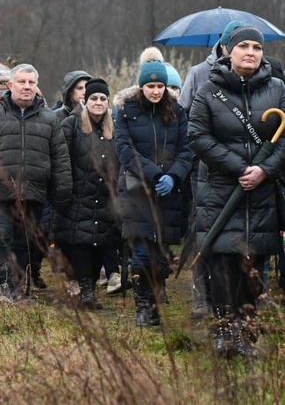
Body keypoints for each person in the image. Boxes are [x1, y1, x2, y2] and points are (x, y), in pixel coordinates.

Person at [188, 26, 285, 357]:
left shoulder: (278, 89)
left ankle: (246, 331)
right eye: (243, 45)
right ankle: (224, 332)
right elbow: (198, 137)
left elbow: (284, 141)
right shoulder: (208, 91)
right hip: (220, 192)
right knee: (224, 264)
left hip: (261, 194)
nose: (251, 51)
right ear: (228, 51)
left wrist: (264, 170)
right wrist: (238, 167)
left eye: (257, 46)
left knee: (253, 267)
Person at [0, 63, 72, 300]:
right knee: (2, 239)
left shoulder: (49, 118)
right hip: (1, 193)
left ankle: (19, 287)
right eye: (22, 82)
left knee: (26, 243)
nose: (27, 87)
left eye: (31, 83)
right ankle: (5, 289)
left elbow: (60, 158)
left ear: (37, 86)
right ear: (10, 85)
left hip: (35, 193)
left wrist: (61, 194)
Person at [113, 60, 192, 327]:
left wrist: (174, 175)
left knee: (160, 256)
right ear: (142, 86)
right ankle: (143, 307)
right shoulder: (127, 111)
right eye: (150, 86)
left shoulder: (178, 112)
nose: (156, 91)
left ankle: (156, 303)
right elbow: (124, 149)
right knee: (142, 253)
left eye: (160, 86)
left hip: (168, 194)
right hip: (138, 191)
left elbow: (186, 150)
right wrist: (154, 174)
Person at [55, 79, 120, 308]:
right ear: (85, 100)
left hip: (104, 199)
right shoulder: (71, 125)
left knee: (100, 247)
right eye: (94, 98)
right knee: (81, 246)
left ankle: (89, 289)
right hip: (78, 197)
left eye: (103, 98)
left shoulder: (114, 129)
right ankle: (86, 292)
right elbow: (60, 160)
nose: (98, 102)